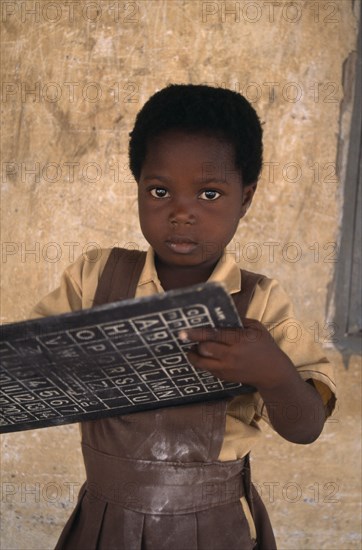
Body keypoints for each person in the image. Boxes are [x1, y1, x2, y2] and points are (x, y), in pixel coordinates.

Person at [31, 84, 336, 550]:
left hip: (216, 529)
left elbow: (306, 427)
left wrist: (274, 375)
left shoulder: (261, 303)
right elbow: (31, 365)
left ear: (246, 197)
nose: (182, 213)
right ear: (137, 188)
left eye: (210, 194)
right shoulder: (95, 279)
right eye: (159, 190)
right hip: (105, 522)